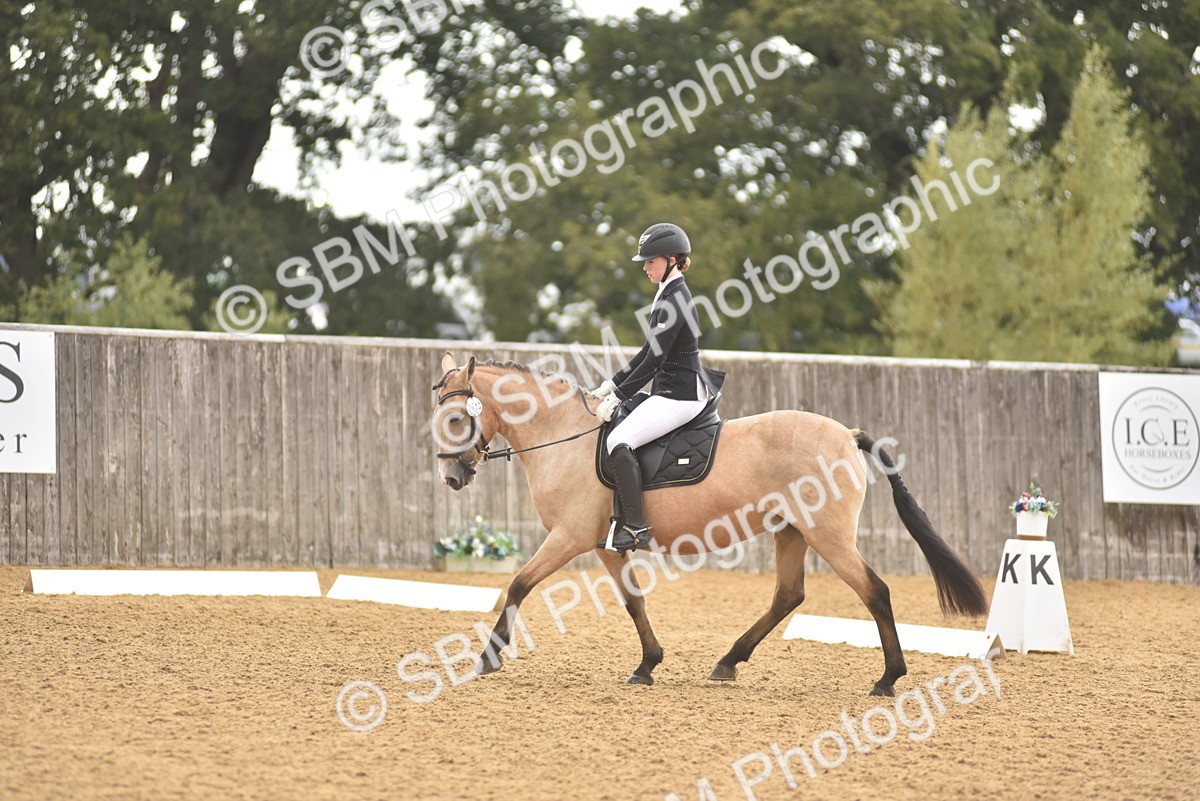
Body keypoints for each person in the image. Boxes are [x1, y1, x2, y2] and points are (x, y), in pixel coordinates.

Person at [594, 223, 726, 554]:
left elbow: (653, 362)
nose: (644, 266)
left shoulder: (675, 298)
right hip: (669, 390)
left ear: (671, 259)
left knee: (617, 440)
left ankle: (635, 528)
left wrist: (619, 397)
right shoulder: (666, 292)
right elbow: (645, 352)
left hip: (679, 395)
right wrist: (610, 385)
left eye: (650, 260)